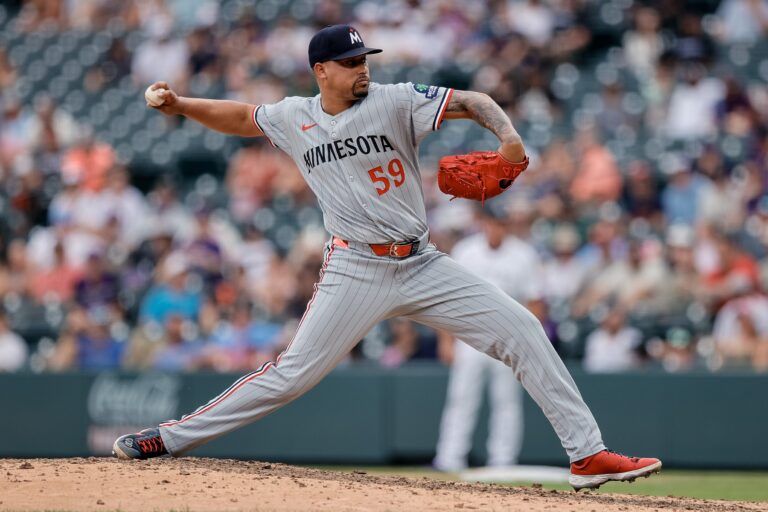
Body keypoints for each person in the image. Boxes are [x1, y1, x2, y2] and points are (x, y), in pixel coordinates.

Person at [113, 24, 660, 490]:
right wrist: (181, 104)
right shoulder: (294, 116)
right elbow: (239, 117)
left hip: (421, 262)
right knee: (290, 377)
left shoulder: (395, 99)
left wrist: (509, 139)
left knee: (522, 328)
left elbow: (473, 101)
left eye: (364, 59)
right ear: (320, 70)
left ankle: (587, 454)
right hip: (355, 268)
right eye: (350, 62)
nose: (362, 69)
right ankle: (169, 437)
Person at [433, 205, 541, 471]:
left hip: (508, 338)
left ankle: (502, 462)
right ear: (484, 223)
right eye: (492, 222)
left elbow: (535, 301)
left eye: (501, 223)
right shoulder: (466, 250)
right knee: (461, 399)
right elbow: (447, 299)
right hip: (470, 335)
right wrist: (445, 341)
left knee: (507, 402)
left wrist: (528, 343)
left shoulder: (523, 254)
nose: (496, 228)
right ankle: (449, 459)